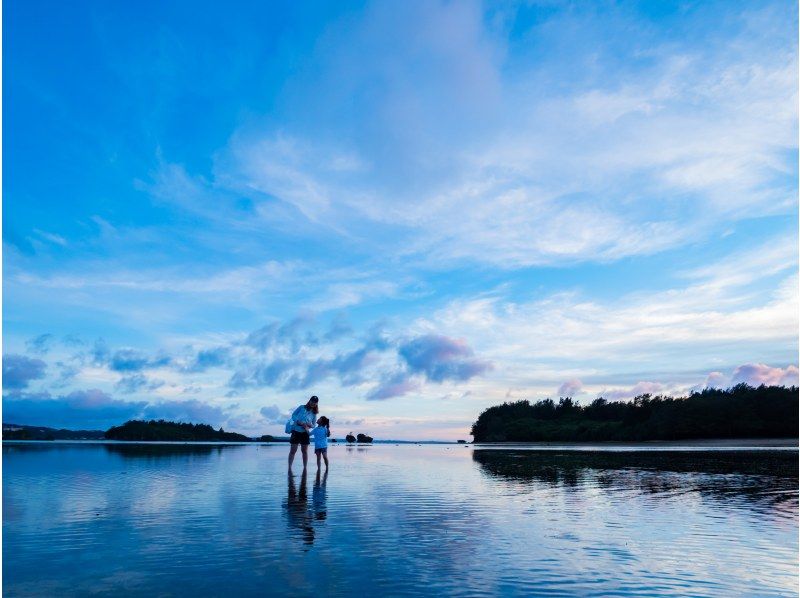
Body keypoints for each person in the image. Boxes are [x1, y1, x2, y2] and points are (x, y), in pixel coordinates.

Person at [288, 395, 319, 472]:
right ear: (309, 400)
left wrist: (309, 425)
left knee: (304, 451)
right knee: (293, 451)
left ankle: (305, 468)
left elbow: (314, 424)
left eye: (315, 402)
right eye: (312, 401)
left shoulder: (314, 413)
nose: (313, 403)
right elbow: (293, 415)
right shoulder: (301, 407)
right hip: (296, 431)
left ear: (316, 403)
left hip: (305, 433)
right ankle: (289, 467)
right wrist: (298, 421)